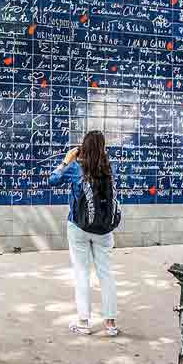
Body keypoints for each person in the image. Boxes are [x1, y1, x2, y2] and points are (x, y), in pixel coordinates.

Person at [48, 130, 119, 337]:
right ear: (103, 148)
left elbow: (52, 180)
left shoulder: (76, 168)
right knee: (106, 273)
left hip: (78, 227)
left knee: (81, 273)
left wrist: (66, 160)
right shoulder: (109, 168)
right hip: (104, 229)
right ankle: (110, 324)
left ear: (83, 148)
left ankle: (84, 322)